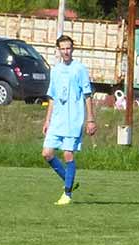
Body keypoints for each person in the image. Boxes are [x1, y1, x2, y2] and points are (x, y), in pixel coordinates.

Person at [41, 35, 96, 205]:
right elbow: (52, 97)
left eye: (68, 48)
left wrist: (90, 119)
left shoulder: (79, 69)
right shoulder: (55, 70)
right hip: (57, 120)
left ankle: (67, 194)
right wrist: (47, 120)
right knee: (47, 153)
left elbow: (87, 96)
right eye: (63, 48)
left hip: (73, 119)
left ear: (73, 49)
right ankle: (69, 181)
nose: (66, 51)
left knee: (67, 154)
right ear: (58, 50)